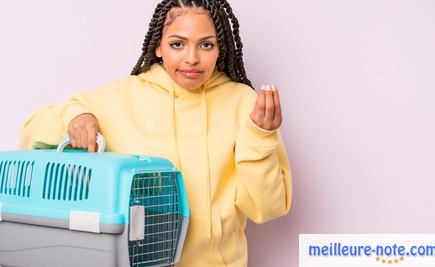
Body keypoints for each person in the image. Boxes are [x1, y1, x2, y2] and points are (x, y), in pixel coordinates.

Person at [20, 0, 292, 266]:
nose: (192, 58)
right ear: (159, 46)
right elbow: (31, 132)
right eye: (177, 44)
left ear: (220, 48)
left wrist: (260, 138)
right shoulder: (121, 97)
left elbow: (268, 208)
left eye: (206, 44)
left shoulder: (242, 102)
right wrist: (75, 116)